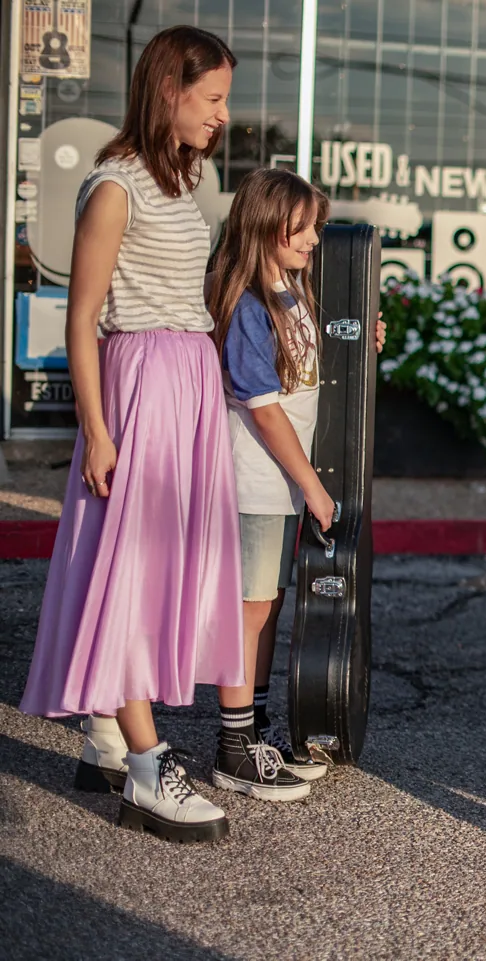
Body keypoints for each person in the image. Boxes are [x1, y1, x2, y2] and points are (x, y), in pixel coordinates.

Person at [19, 25, 251, 841]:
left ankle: (108, 736)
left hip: (185, 377)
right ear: (167, 92)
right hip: (140, 383)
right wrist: (98, 426)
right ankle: (148, 770)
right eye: (212, 98)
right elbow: (82, 316)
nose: (223, 114)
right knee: (130, 566)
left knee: (160, 566)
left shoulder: (178, 179)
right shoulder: (115, 185)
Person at [207, 167, 384, 794]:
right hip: (257, 481)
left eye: (316, 226)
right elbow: (263, 405)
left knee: (268, 605)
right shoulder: (249, 302)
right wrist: (312, 484)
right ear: (264, 227)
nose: (313, 238)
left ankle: (250, 729)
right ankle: (233, 746)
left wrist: (365, 339)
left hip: (280, 483)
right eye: (301, 227)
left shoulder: (291, 290)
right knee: (248, 613)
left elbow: (307, 368)